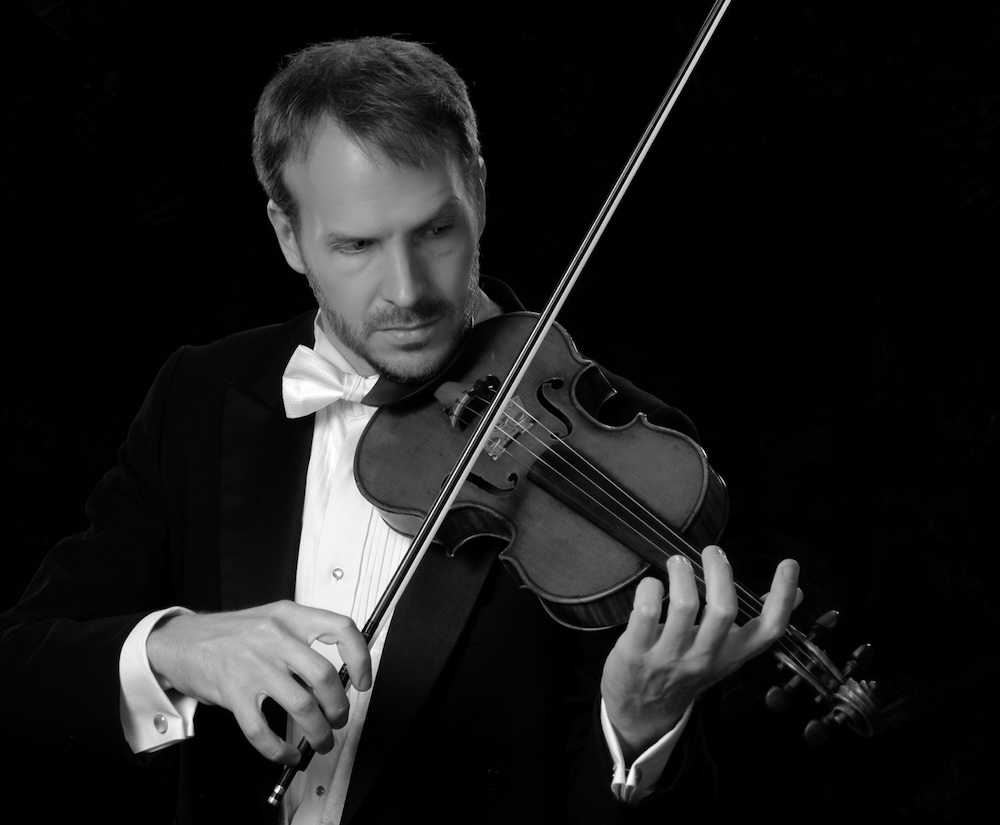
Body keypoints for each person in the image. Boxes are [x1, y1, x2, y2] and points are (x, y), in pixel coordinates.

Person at [0, 37, 800, 824]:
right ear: (287, 234)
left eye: (435, 230)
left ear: (477, 191)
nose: (409, 290)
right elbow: (20, 670)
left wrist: (639, 728)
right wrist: (177, 648)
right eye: (356, 245)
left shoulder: (630, 446)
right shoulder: (203, 396)